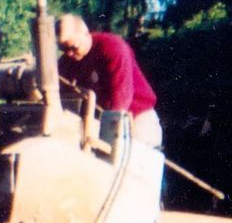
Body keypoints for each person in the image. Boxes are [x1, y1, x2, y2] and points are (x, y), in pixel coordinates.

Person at [55, 14, 161, 149]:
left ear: (86, 34)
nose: (69, 54)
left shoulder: (112, 48)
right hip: (100, 122)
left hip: (137, 121)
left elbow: (120, 102)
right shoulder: (67, 61)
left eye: (73, 47)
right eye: (63, 49)